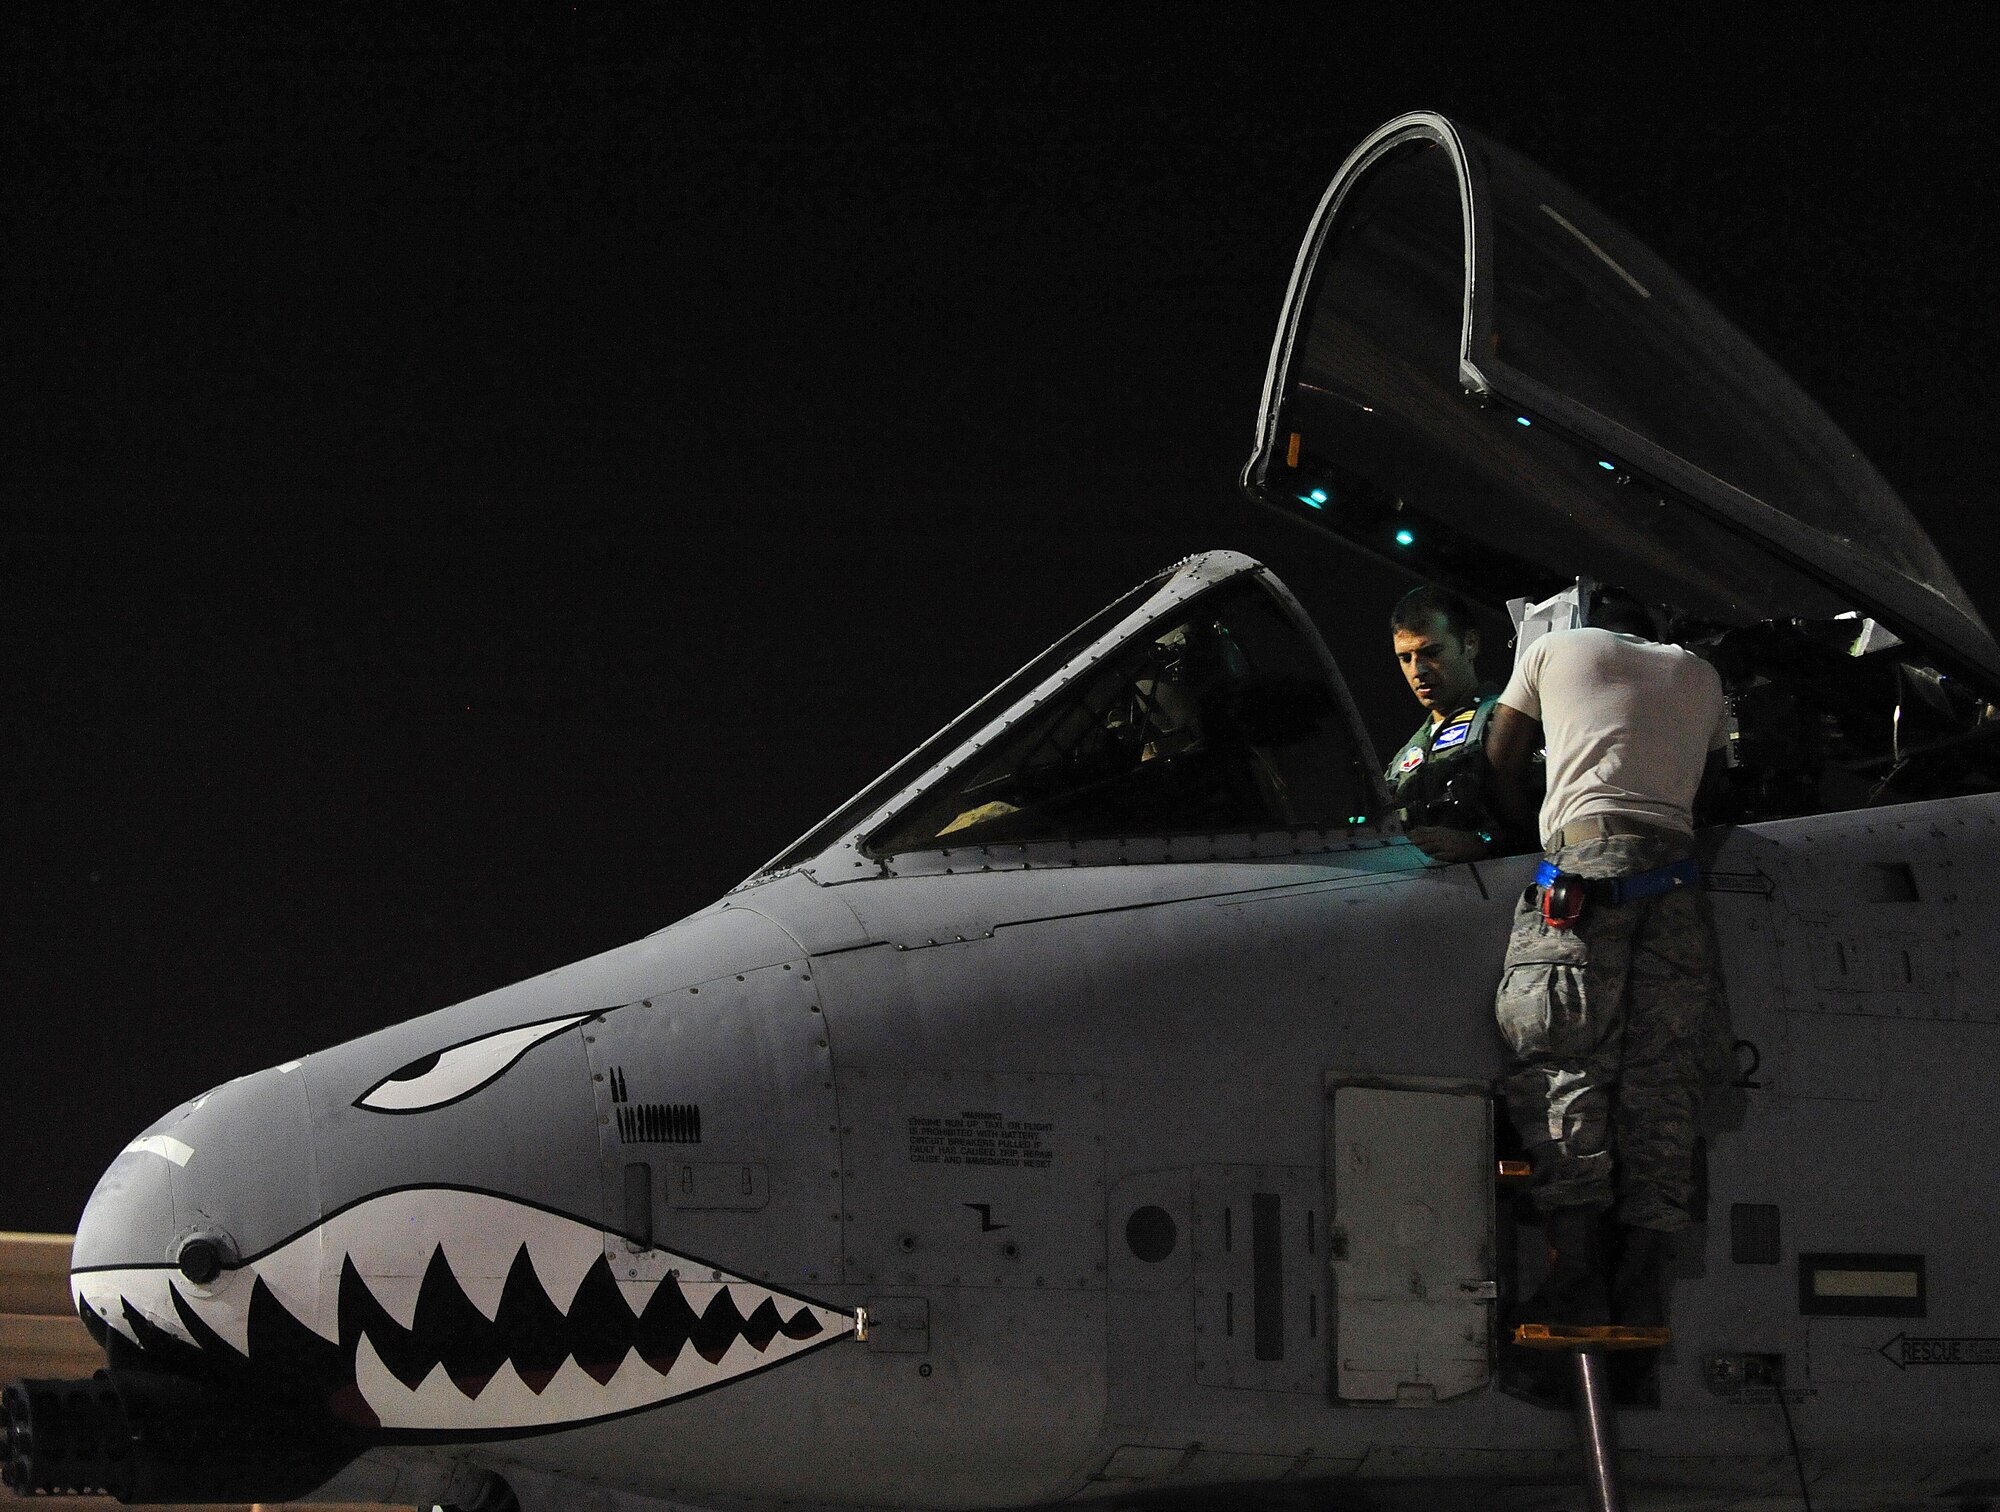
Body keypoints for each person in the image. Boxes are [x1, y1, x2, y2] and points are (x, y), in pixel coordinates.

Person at [1483, 586, 1733, 1329]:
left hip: (1585, 873)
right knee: (1665, 1081)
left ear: (1588, 619)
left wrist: (1523, 847)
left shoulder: (1551, 649)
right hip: (1679, 886)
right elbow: (1715, 790)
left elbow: (1495, 763)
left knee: (1563, 1064)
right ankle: (1642, 1276)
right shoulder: (1701, 674)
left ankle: (1577, 1275)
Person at [1384, 586, 1518, 862]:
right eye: (1405, 658)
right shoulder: (1404, 758)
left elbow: (1558, 822)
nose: (1416, 671)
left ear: (1470, 644)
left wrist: (1485, 842)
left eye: (1431, 652)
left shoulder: (1507, 722)